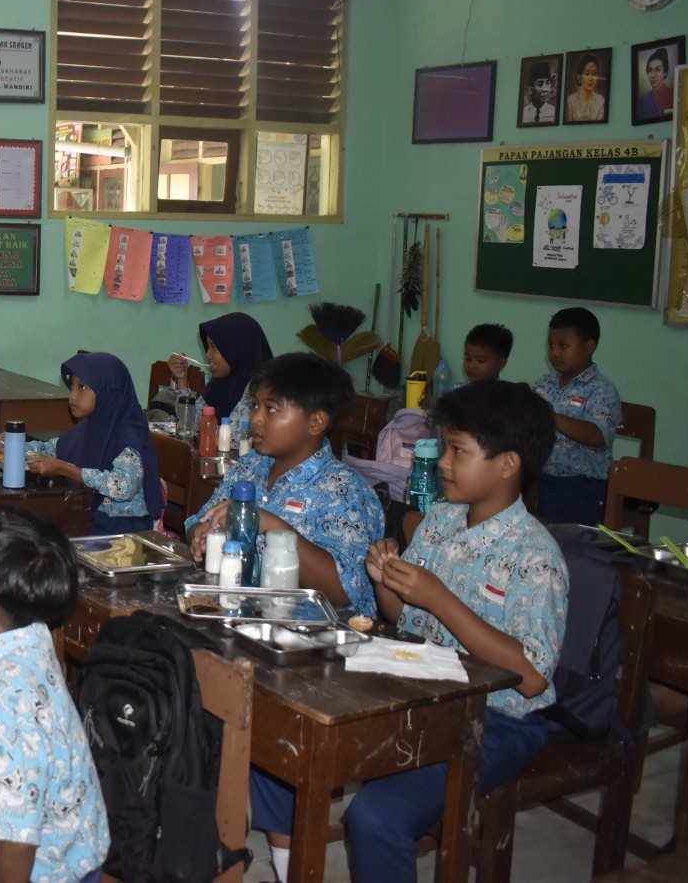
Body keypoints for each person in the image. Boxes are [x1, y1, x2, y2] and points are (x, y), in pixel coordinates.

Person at [256, 380, 565, 883]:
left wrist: (438, 597)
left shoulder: (535, 556)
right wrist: (387, 580)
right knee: (285, 723)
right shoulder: (441, 520)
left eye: (458, 451)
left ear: (508, 464)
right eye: (445, 447)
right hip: (422, 690)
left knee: (376, 816)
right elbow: (401, 616)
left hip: (497, 720)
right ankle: (290, 864)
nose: (442, 462)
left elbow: (530, 676)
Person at [0, 504, 110, 883]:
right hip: (9, 840)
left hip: (41, 869)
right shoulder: (21, 637)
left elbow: (16, 836)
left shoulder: (7, 703)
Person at [188, 352, 382, 616]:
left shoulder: (347, 492)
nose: (256, 418)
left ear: (316, 422)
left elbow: (343, 590)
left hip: (320, 632)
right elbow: (200, 520)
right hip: (248, 612)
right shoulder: (250, 467)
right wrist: (201, 535)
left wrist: (274, 527)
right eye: (255, 405)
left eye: (271, 409)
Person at [26, 352, 165, 535]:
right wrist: (14, 444)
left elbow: (123, 486)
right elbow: (54, 449)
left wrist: (63, 469)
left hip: (124, 530)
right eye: (73, 387)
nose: (73, 397)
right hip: (93, 517)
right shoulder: (92, 425)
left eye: (82, 387)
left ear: (107, 392)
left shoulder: (128, 434)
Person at [530, 306, 620, 526]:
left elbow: (598, 434)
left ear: (589, 346)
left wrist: (551, 417)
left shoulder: (601, 390)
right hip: (542, 479)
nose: (555, 353)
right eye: (551, 345)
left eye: (563, 346)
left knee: (570, 547)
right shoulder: (543, 385)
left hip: (583, 486)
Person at [166, 312, 273, 419]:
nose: (208, 355)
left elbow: (234, 433)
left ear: (236, 349)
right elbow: (190, 424)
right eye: (208, 347)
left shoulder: (261, 389)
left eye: (214, 347)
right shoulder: (219, 383)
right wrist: (182, 380)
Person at [565, 54, 607, 123]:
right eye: (587, 74)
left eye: (594, 73)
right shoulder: (570, 101)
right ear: (579, 77)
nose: (591, 78)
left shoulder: (601, 101)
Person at [640, 47, 675, 119]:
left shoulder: (673, 94)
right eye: (650, 70)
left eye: (658, 69)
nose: (653, 75)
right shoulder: (643, 100)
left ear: (665, 72)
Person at [521, 60, 558, 124]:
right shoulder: (524, 113)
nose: (545, 89)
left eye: (548, 83)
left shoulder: (553, 112)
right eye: (540, 84)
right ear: (530, 90)